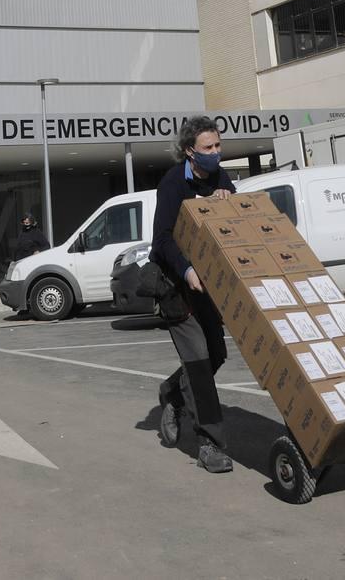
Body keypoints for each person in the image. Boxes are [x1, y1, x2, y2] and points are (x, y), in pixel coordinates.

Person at [149, 115, 235, 473]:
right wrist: (186, 269)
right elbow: (162, 240)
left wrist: (227, 201)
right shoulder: (172, 185)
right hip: (176, 287)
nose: (216, 153)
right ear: (190, 151)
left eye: (218, 146)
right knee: (199, 361)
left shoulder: (220, 177)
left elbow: (234, 221)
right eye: (208, 148)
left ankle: (172, 392)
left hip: (208, 288)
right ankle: (210, 445)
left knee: (217, 355)